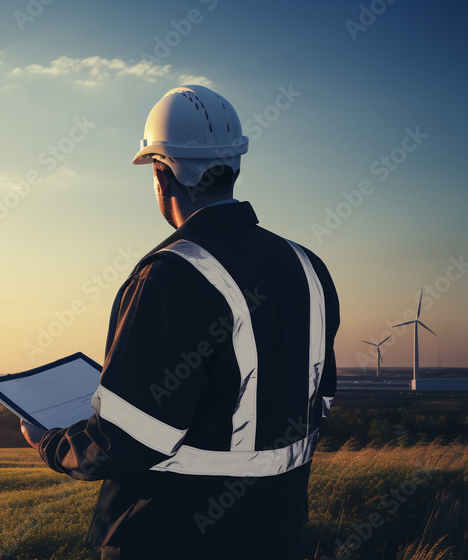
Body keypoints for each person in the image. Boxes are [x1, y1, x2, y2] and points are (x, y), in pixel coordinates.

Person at [20, 85, 339, 560]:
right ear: (234, 166)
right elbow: (320, 399)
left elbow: (126, 442)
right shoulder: (307, 265)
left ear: (161, 173)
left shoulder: (171, 276)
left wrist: (49, 443)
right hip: (278, 532)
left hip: (169, 535)